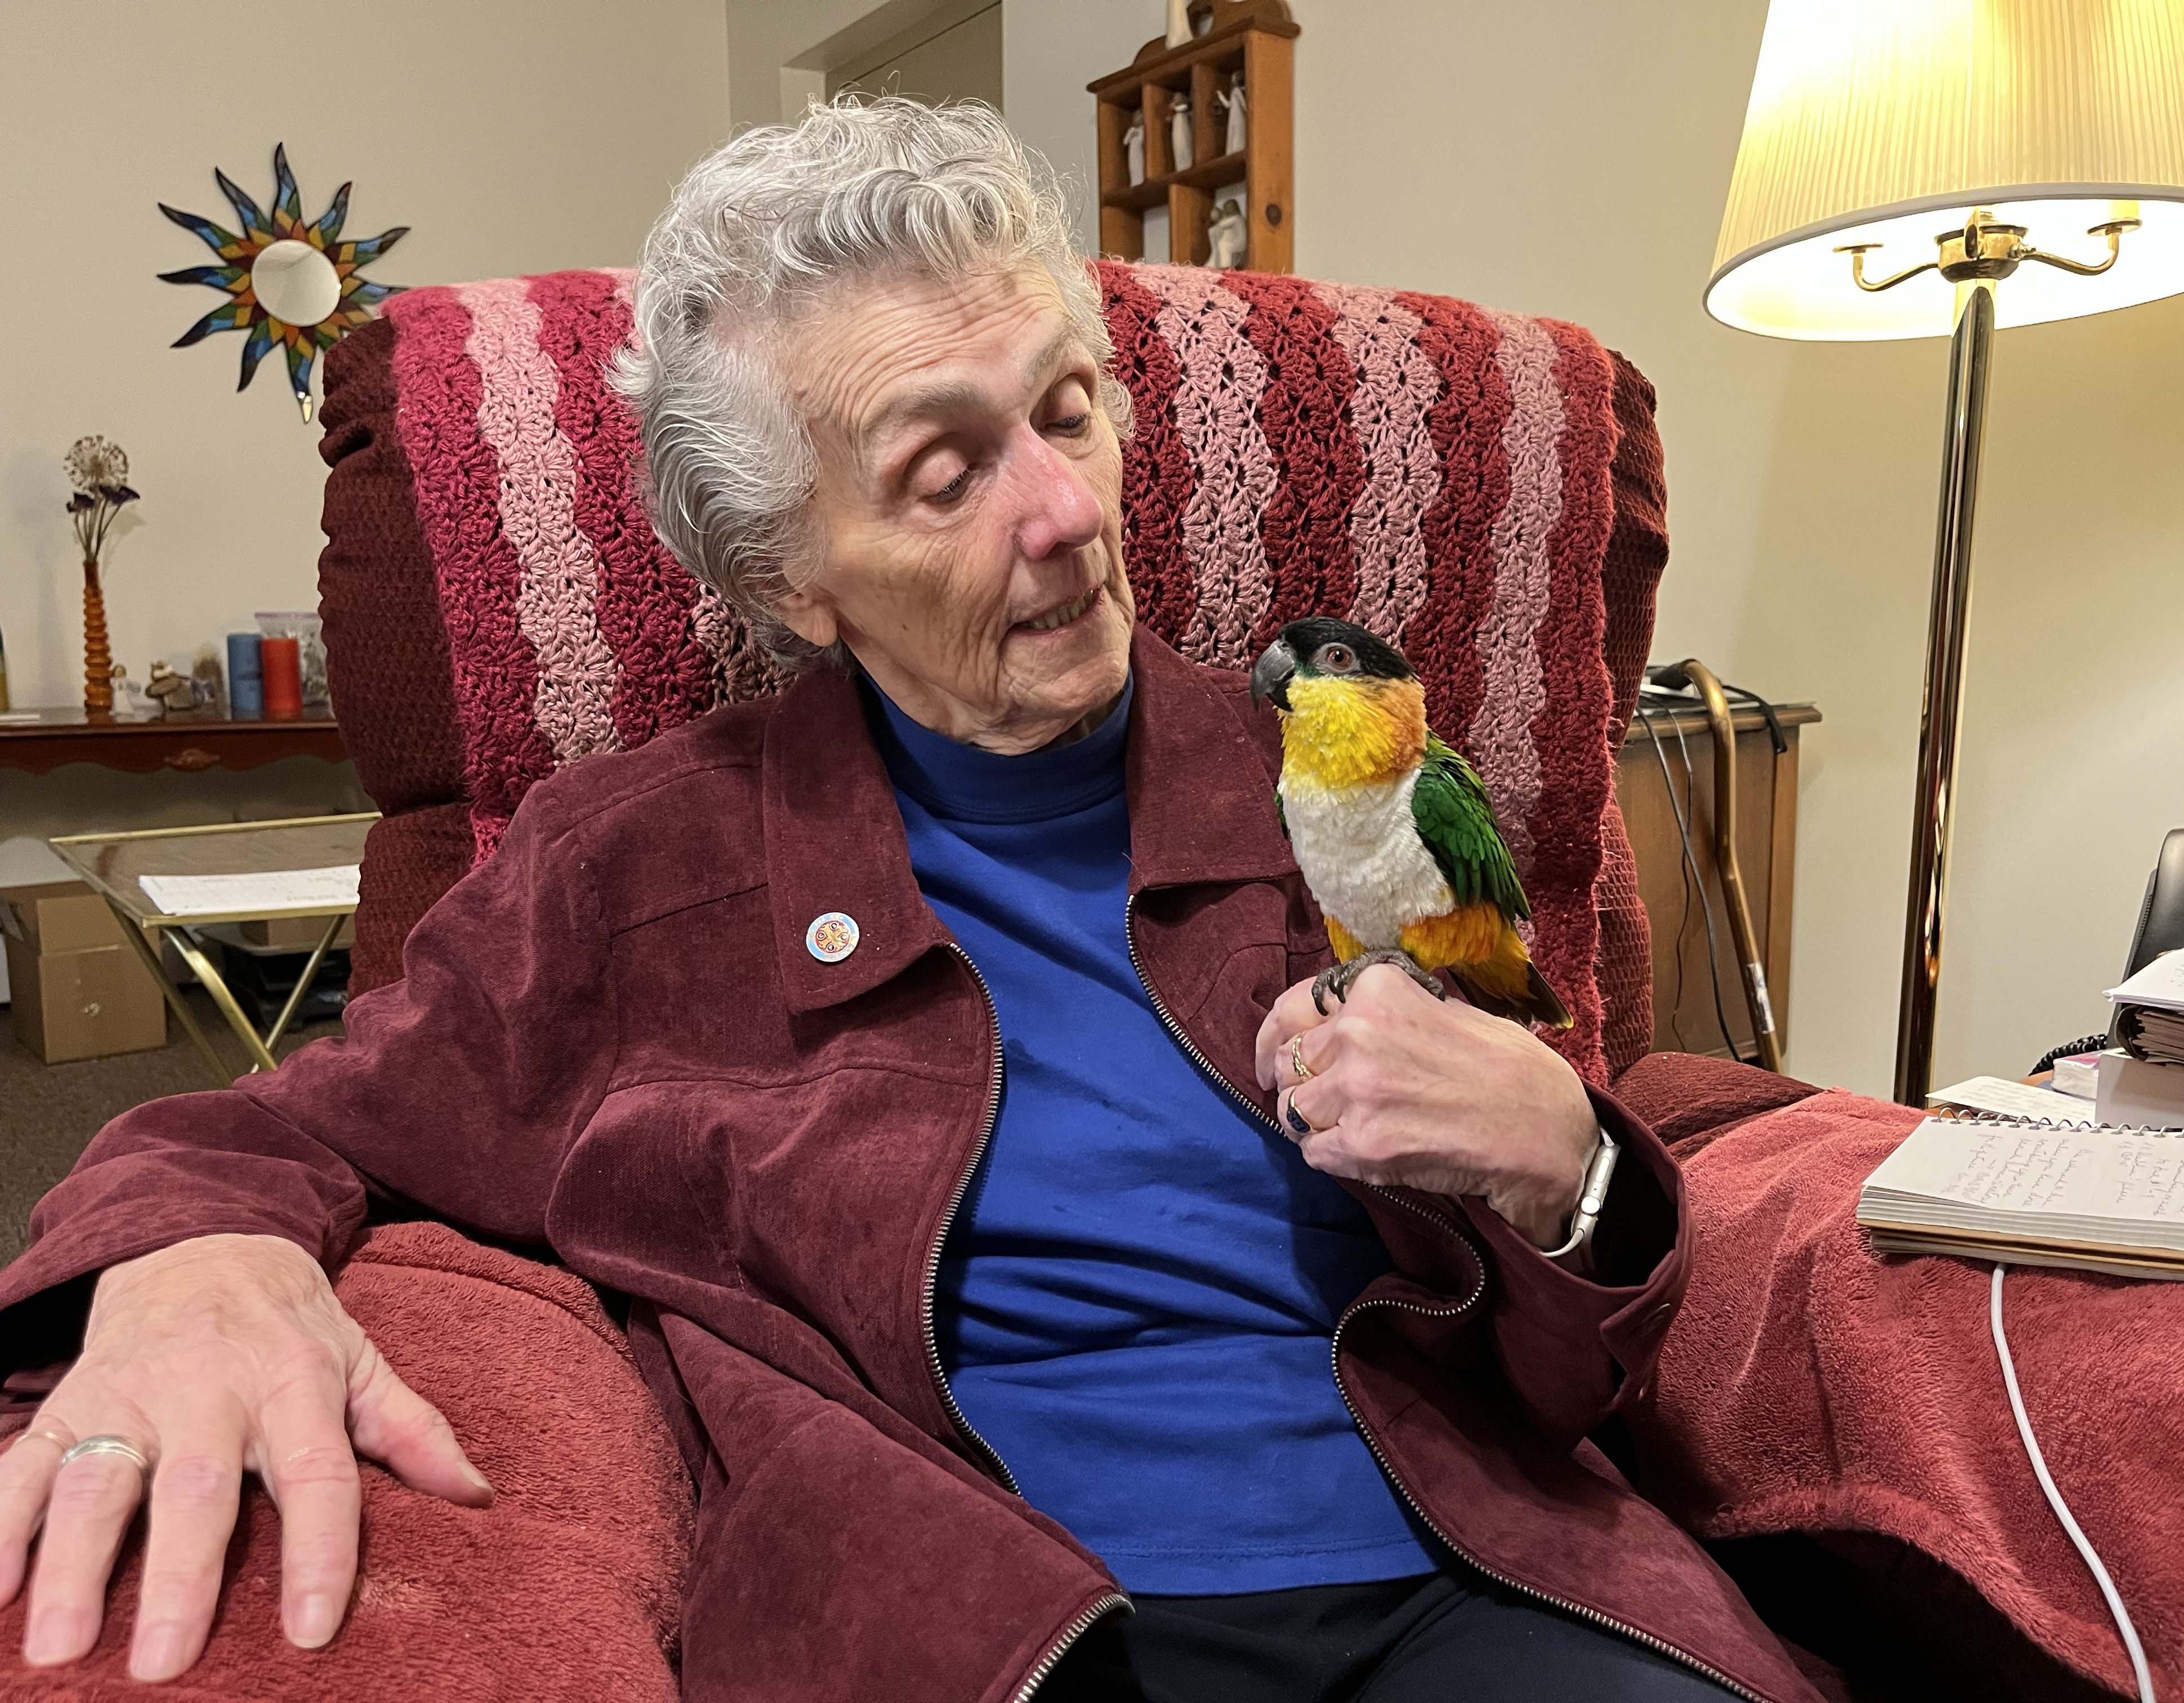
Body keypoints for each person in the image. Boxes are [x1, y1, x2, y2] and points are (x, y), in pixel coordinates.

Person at [0, 100, 1808, 1702]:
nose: (1064, 511)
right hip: (989, 1617)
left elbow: (1574, 1367)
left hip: (1473, 1573)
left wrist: (1571, 1171)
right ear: (791, 578)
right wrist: (195, 1263)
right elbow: (279, 1127)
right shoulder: (635, 867)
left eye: (1069, 412)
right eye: (945, 472)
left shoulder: (1341, 791)